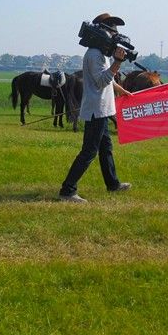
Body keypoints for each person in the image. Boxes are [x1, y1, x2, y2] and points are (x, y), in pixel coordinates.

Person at [59, 13, 134, 203]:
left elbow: (106, 80)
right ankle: (67, 191)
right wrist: (118, 62)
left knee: (106, 148)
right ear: (103, 30)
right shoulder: (94, 54)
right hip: (96, 111)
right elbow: (101, 81)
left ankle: (113, 184)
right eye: (112, 29)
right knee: (89, 151)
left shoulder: (103, 53)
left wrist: (121, 89)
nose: (115, 33)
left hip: (104, 109)